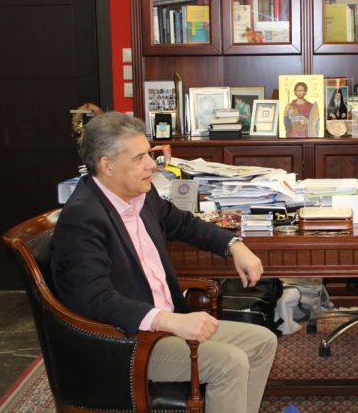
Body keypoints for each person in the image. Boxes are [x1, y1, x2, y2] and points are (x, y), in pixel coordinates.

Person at [50, 112, 277, 413]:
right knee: (228, 362)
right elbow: (96, 299)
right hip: (125, 341)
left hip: (162, 326)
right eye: (139, 158)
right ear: (107, 165)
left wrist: (234, 245)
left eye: (149, 153)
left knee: (262, 342)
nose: (151, 165)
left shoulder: (140, 194)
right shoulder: (83, 217)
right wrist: (170, 321)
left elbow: (183, 223)